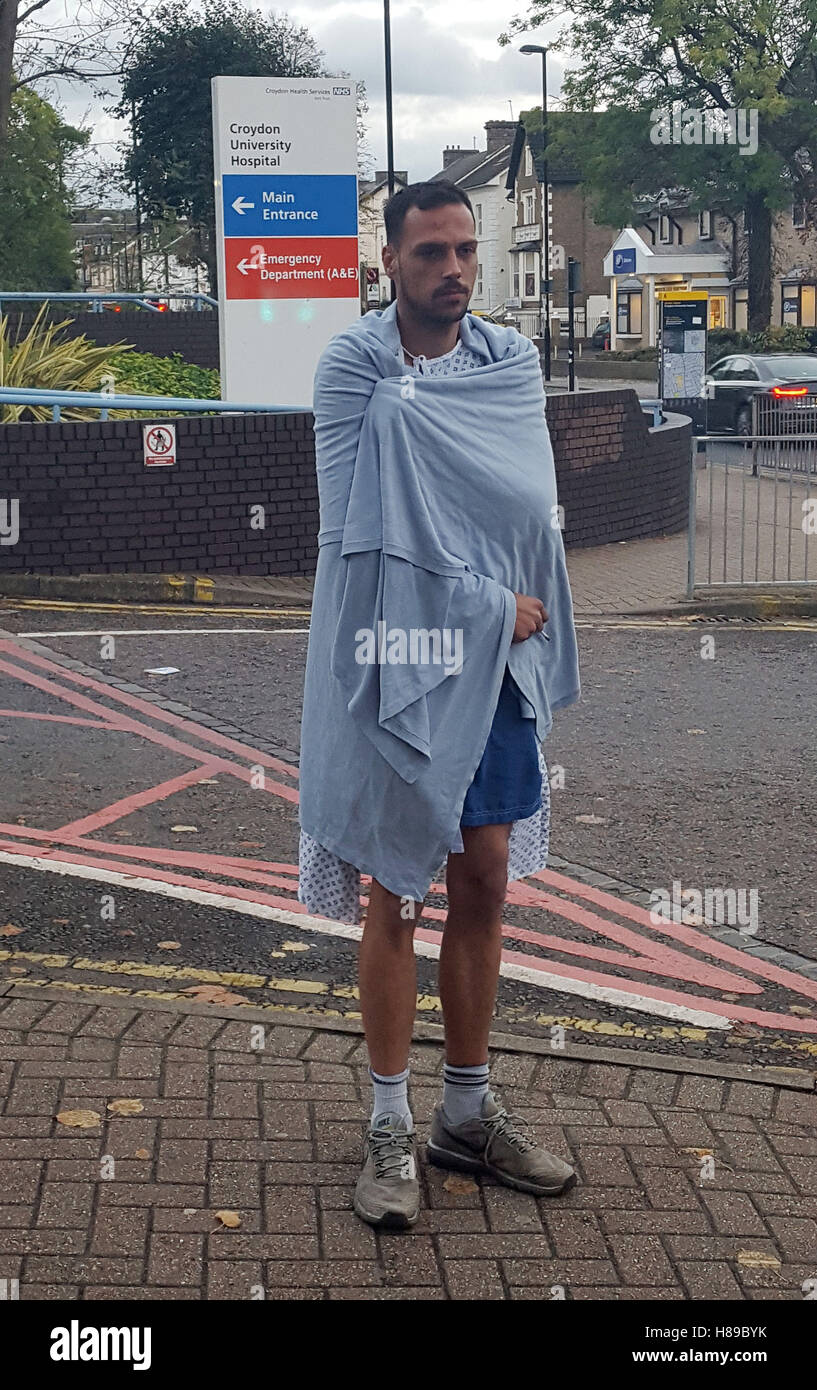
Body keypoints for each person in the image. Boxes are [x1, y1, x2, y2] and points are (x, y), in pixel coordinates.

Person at [297, 180, 581, 1229]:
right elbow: (356, 544)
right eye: (429, 254)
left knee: (487, 876)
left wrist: (474, 584)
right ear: (389, 265)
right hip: (392, 660)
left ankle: (466, 1111)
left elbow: (520, 512)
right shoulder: (355, 365)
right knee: (394, 889)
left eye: (465, 251)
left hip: (495, 663)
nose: (453, 270)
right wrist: (477, 599)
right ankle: (386, 1119)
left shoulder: (509, 364)